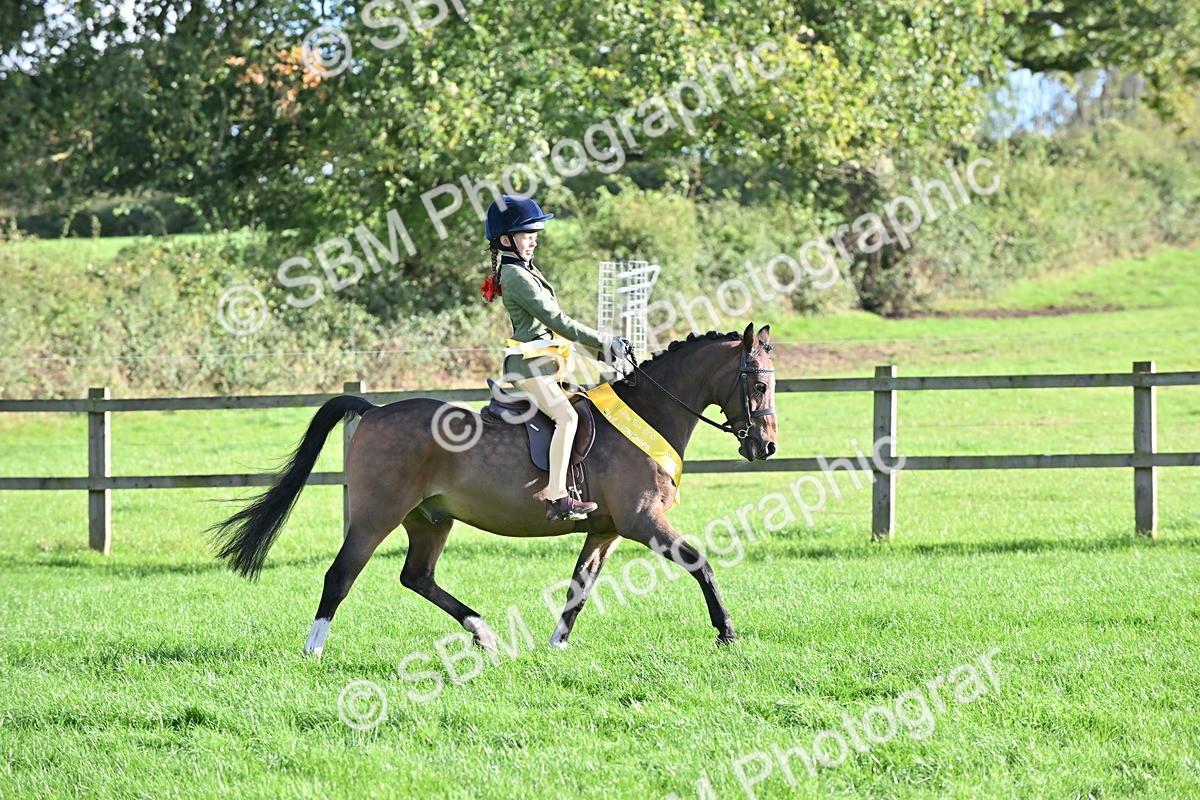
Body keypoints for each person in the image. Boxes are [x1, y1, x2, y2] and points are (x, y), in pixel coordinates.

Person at [481, 195, 631, 522]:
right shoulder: (517, 276)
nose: (534, 239)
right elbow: (558, 321)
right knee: (567, 418)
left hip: (549, 361)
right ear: (506, 240)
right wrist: (605, 341)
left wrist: (600, 350)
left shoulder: (524, 268)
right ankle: (556, 496)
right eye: (526, 234)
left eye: (535, 233)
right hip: (530, 366)